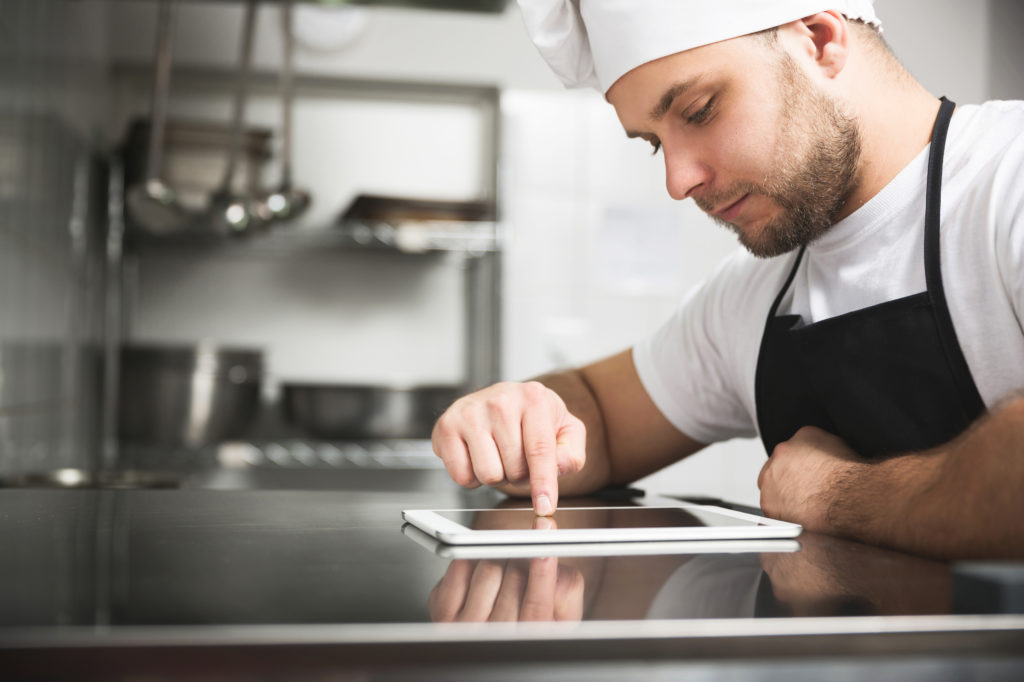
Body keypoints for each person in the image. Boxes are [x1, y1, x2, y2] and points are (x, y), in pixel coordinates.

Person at [431, 0, 1024, 559]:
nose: (677, 181)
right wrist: (522, 422)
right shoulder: (754, 294)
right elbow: (602, 420)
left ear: (818, 41)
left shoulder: (1008, 180)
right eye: (653, 143)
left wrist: (836, 496)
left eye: (698, 110)